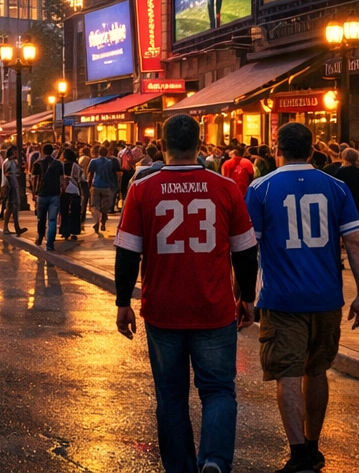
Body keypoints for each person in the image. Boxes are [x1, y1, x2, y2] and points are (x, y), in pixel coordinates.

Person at [114, 114, 258, 473]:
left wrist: (122, 301)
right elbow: (244, 249)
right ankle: (214, 459)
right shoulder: (224, 188)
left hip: (163, 309)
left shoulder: (142, 189)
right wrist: (248, 298)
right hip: (213, 308)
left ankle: (180, 467)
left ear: (163, 146)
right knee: (219, 390)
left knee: (171, 398)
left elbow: (127, 251)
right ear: (199, 145)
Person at [246, 122, 359, 473]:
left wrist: (241, 295)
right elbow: (355, 242)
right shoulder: (337, 187)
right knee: (317, 371)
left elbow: (245, 247)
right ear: (313, 149)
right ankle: (314, 444)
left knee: (287, 373)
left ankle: (299, 452)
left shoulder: (261, 189)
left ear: (277, 150)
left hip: (281, 297)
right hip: (326, 296)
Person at [32, 147, 65, 248]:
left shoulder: (38, 163)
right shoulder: (58, 164)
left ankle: (40, 236)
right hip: (54, 193)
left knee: (41, 218)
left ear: (42, 151)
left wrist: (34, 192)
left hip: (42, 193)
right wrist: (61, 190)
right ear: (52, 152)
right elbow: (62, 179)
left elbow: (34, 179)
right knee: (52, 220)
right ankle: (50, 243)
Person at [87, 145, 120, 233]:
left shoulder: (93, 161)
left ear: (98, 153)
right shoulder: (110, 162)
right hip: (107, 186)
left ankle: (97, 221)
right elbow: (113, 174)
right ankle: (103, 223)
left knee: (94, 206)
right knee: (104, 207)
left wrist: (89, 185)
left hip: (96, 185)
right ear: (107, 153)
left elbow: (90, 174)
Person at [0, 147, 25, 234]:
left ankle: (16, 226)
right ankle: (8, 227)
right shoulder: (8, 162)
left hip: (12, 185)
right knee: (11, 206)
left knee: (12, 207)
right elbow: (7, 174)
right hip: (10, 186)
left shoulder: (11, 162)